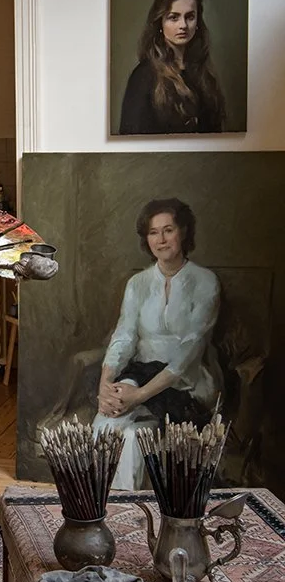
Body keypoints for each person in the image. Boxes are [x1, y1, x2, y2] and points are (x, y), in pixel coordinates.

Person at [93, 198, 221, 490]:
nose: (161, 240)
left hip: (184, 383)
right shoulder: (137, 283)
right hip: (139, 374)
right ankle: (104, 511)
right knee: (106, 424)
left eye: (168, 230)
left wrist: (138, 396)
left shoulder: (205, 282)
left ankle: (133, 511)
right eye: (153, 232)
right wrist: (105, 384)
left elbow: (187, 353)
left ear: (183, 232)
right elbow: (124, 336)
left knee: (132, 437)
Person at [118, 0, 226, 135]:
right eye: (173, 17)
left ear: (197, 23)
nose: (183, 25)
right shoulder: (144, 75)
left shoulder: (203, 73)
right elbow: (132, 137)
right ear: (160, 24)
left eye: (190, 17)